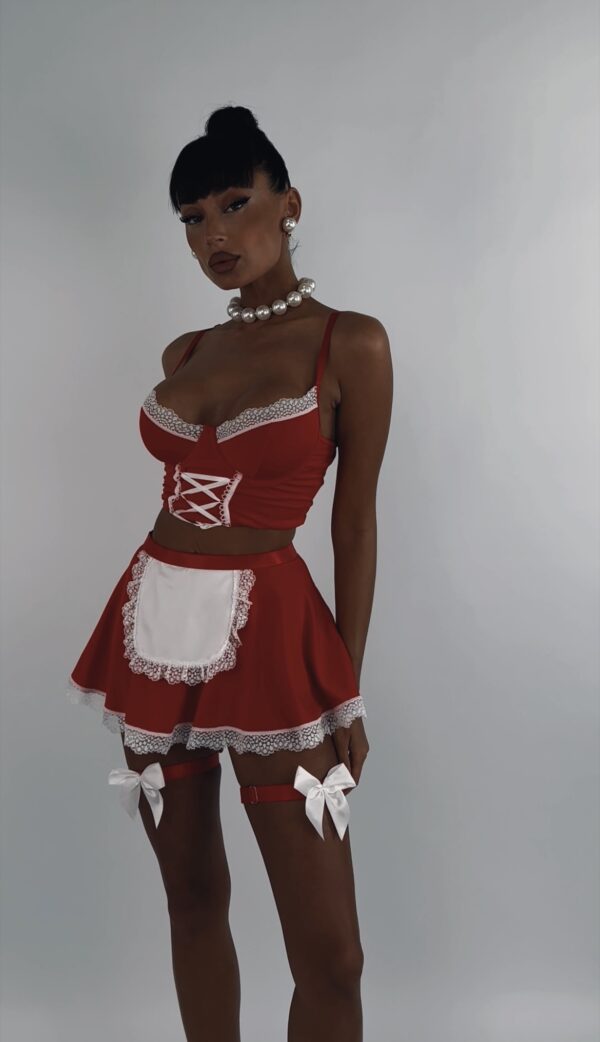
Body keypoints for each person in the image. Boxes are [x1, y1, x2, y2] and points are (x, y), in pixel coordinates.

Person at [67, 103, 393, 1042]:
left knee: (332, 958)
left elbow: (354, 520)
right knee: (192, 899)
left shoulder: (350, 343)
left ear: (289, 204)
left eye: (233, 204)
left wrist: (346, 689)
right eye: (192, 218)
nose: (213, 234)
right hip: (153, 621)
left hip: (275, 635)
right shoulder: (188, 352)